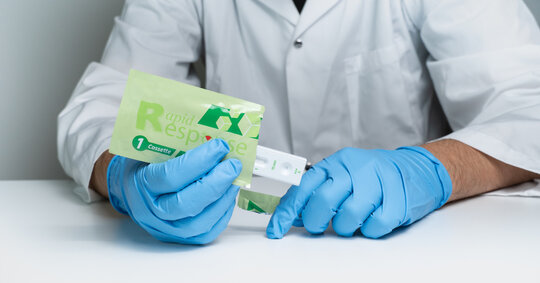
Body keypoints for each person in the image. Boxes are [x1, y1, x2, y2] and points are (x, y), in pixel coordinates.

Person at [58, 0, 540, 244]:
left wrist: (431, 170)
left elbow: (528, 102)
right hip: (234, 259)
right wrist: (122, 174)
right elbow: (102, 105)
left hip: (406, 259)